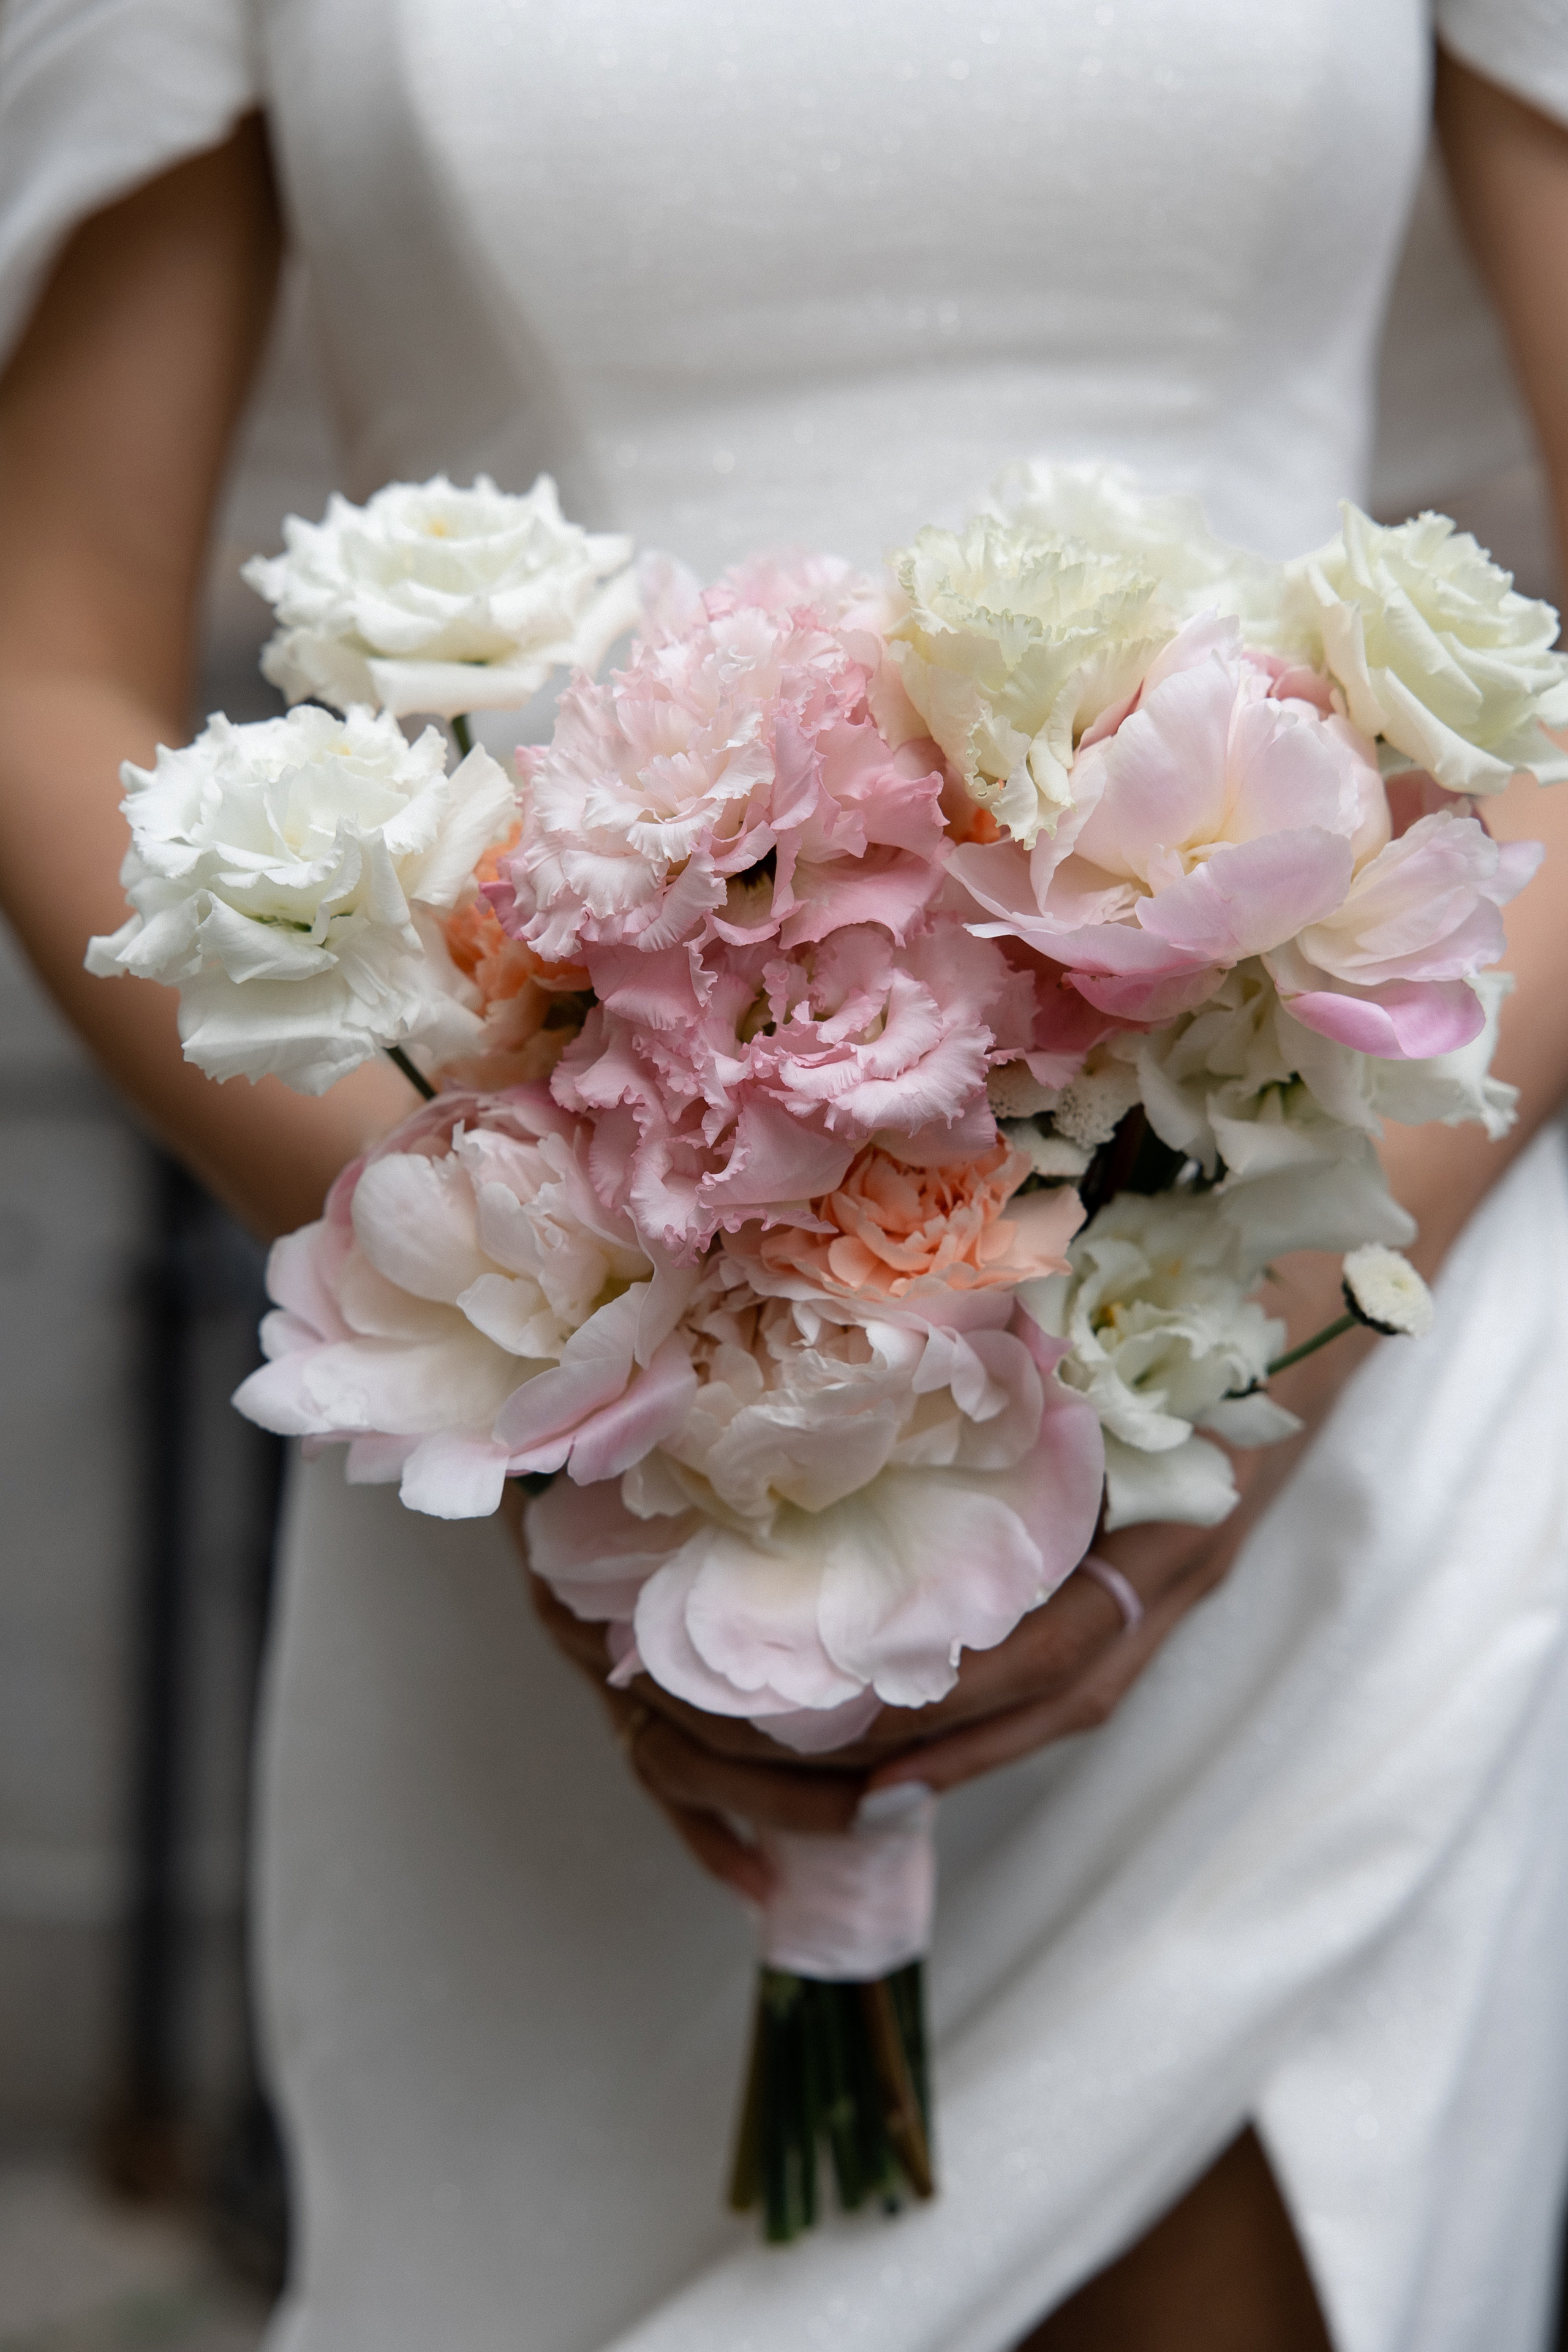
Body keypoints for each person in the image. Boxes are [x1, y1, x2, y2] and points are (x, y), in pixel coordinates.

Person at [2, 4, 1567, 2346]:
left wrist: (1259, 1369)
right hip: (562, 1400)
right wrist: (502, 1300)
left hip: (1314, 1329)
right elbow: (46, 653)